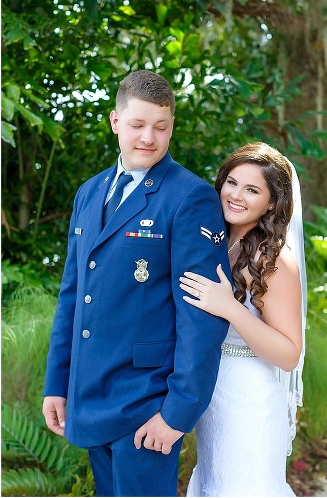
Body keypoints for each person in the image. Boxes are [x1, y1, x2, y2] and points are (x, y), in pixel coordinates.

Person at [42, 70, 231, 496]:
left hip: (148, 407)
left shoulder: (190, 197)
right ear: (115, 121)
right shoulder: (89, 194)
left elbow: (202, 315)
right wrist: (58, 383)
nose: (149, 137)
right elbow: (73, 295)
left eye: (160, 127)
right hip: (90, 397)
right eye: (137, 125)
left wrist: (178, 413)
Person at [180, 143, 306, 497]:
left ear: (271, 202)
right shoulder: (214, 242)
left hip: (249, 401)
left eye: (252, 190)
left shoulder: (275, 260)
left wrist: (231, 308)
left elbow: (289, 353)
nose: (236, 195)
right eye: (231, 183)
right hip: (212, 393)